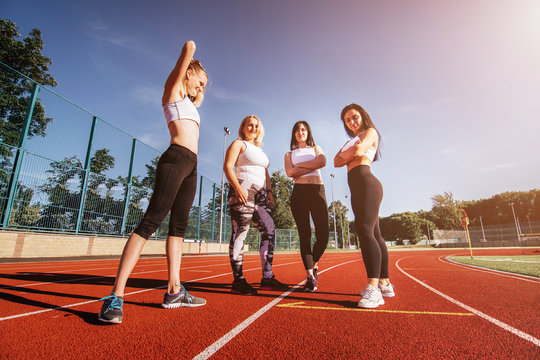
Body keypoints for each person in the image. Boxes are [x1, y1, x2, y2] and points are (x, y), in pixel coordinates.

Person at [98, 41, 208, 324]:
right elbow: (185, 54)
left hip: (192, 165)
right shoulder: (172, 93)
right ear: (188, 74)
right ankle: (116, 295)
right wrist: (191, 52)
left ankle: (174, 290)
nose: (203, 88)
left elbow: (196, 96)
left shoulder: (191, 105)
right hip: (175, 159)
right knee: (150, 223)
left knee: (179, 228)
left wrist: (198, 86)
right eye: (201, 81)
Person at [334, 103, 395, 309]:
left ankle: (373, 289)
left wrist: (348, 154)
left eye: (354, 117)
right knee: (375, 234)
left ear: (363, 116)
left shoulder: (370, 132)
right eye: (347, 120)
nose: (352, 122)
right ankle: (385, 283)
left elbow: (359, 150)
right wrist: (351, 152)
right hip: (356, 189)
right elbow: (335, 161)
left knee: (365, 231)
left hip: (368, 184)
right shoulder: (349, 140)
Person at [223, 115, 288, 295]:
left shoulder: (261, 151)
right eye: (249, 125)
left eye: (256, 126)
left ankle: (267, 278)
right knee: (240, 232)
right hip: (243, 188)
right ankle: (238, 281)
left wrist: (269, 192)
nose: (253, 128)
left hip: (260, 194)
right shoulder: (238, 144)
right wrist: (237, 188)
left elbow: (265, 173)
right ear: (243, 127)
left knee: (269, 230)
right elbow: (228, 166)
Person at [284, 121, 328, 292]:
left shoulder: (317, 149)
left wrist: (299, 167)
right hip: (299, 193)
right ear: (294, 134)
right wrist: (311, 165)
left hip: (318, 190)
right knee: (305, 235)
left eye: (303, 130)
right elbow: (289, 173)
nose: (300, 132)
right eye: (297, 130)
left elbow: (322, 162)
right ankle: (310, 276)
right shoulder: (289, 154)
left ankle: (315, 264)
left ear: (308, 132)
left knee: (323, 234)